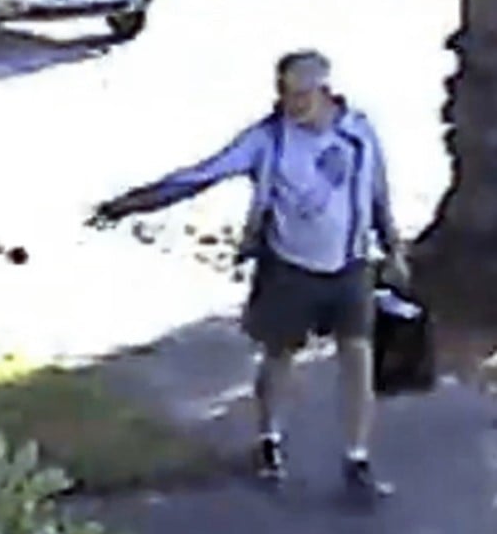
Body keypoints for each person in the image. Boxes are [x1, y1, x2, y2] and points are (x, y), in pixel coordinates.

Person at [87, 50, 408, 497]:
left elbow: (377, 191)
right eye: (283, 93)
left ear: (324, 91)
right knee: (280, 356)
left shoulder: (359, 131)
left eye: (300, 95)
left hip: (351, 265)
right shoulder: (268, 140)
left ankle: (357, 460)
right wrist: (129, 203)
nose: (289, 104)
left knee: (357, 357)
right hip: (289, 266)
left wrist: (392, 246)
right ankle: (269, 440)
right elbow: (201, 175)